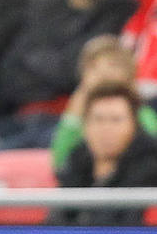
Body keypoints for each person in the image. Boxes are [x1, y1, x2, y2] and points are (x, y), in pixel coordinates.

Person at [0, 0, 135, 148]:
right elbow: (9, 70)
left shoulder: (123, 12)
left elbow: (75, 71)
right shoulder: (44, 7)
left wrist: (37, 61)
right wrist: (49, 70)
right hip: (19, 116)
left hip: (74, 122)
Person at [54, 83, 157, 226]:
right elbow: (56, 222)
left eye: (116, 120)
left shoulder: (150, 172)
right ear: (85, 125)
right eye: (98, 119)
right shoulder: (74, 165)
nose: (106, 129)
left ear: (134, 125)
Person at [52, 37, 157, 173]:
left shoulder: (143, 115)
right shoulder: (78, 116)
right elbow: (59, 163)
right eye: (94, 67)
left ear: (128, 71)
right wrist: (74, 114)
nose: (103, 73)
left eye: (112, 65)